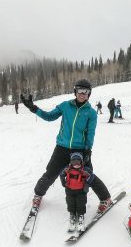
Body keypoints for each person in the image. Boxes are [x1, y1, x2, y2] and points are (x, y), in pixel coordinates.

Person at [20, 78, 112, 213]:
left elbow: (90, 133)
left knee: (87, 174)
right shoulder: (65, 106)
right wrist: (34, 108)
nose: (82, 93)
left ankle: (106, 198)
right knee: (51, 173)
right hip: (62, 147)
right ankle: (38, 195)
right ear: (75, 91)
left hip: (79, 150)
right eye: (80, 90)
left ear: (89, 94)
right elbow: (49, 116)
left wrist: (87, 150)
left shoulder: (91, 112)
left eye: (86, 91)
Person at [59, 152, 95, 232]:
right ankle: (72, 215)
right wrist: (63, 181)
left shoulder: (85, 169)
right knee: (70, 202)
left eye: (78, 161)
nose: (76, 164)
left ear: (81, 161)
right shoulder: (67, 169)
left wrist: (87, 183)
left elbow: (92, 175)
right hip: (69, 190)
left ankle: (81, 216)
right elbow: (61, 174)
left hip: (81, 191)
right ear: (71, 162)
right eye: (73, 161)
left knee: (81, 203)